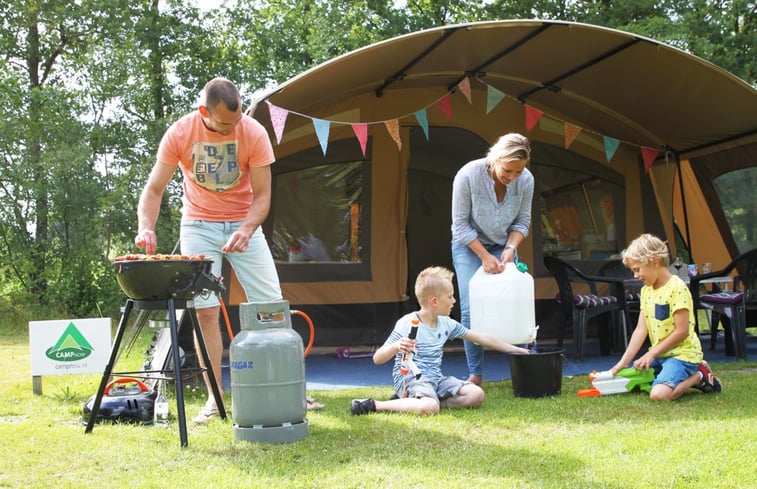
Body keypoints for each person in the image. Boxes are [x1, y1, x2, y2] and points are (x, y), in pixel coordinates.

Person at [135, 78, 321, 423]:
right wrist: (145, 226)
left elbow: (263, 195)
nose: (233, 128)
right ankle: (214, 399)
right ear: (203, 112)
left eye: (236, 121)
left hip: (245, 224)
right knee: (205, 312)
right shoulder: (179, 134)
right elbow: (154, 188)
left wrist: (247, 228)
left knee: (271, 307)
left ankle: (291, 388)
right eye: (224, 124)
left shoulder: (253, 132)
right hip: (198, 226)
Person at [350, 266, 530, 416]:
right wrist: (397, 346)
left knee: (476, 394)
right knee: (430, 407)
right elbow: (378, 358)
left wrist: (515, 349)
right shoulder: (407, 323)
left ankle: (423, 402)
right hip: (411, 379)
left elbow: (480, 337)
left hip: (436, 379)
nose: (454, 300)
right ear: (434, 301)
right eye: (450, 296)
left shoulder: (446, 324)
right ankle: (376, 405)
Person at [450, 133, 534, 386]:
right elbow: (460, 226)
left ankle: (525, 366)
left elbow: (522, 221)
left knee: (516, 301)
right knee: (469, 307)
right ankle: (475, 373)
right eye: (508, 170)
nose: (512, 177)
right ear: (495, 158)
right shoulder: (468, 176)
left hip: (505, 243)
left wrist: (510, 249)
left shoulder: (526, 180)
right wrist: (485, 256)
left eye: (518, 172)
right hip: (469, 245)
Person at [609, 234, 722, 401]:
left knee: (658, 395)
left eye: (637, 269)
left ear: (654, 261)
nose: (635, 276)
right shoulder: (646, 291)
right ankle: (670, 374)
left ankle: (700, 376)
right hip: (661, 355)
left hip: (682, 355)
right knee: (633, 380)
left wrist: (651, 354)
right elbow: (641, 329)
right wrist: (624, 362)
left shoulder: (677, 288)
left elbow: (682, 331)